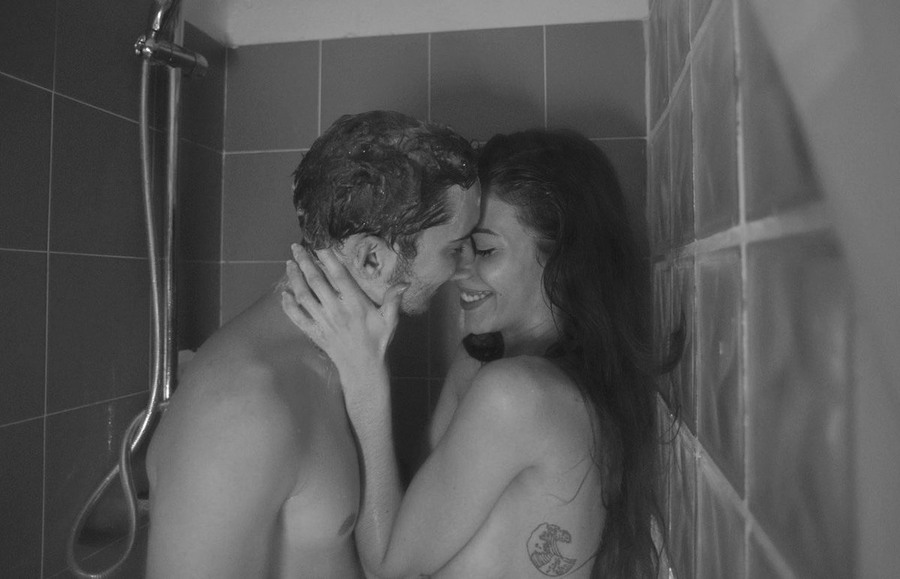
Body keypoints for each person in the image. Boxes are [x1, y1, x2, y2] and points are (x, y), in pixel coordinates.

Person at [282, 128, 677, 578]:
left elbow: (389, 567)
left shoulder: (517, 394)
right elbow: (414, 514)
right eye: (460, 246)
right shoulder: (482, 362)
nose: (459, 269)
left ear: (564, 259)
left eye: (486, 250)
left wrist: (366, 381)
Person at [144, 110, 481, 578]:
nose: (466, 266)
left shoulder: (347, 356)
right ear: (371, 259)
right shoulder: (240, 410)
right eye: (454, 248)